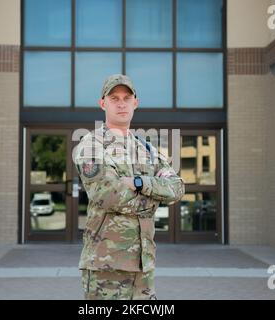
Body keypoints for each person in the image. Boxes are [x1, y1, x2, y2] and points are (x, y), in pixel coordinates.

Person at [74, 74, 185, 300]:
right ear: (103, 103)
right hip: (106, 267)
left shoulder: (147, 150)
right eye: (114, 98)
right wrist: (155, 198)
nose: (121, 103)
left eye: (127, 97)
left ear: (136, 102)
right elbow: (109, 195)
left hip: (144, 266)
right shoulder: (91, 146)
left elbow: (177, 187)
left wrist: (139, 183)